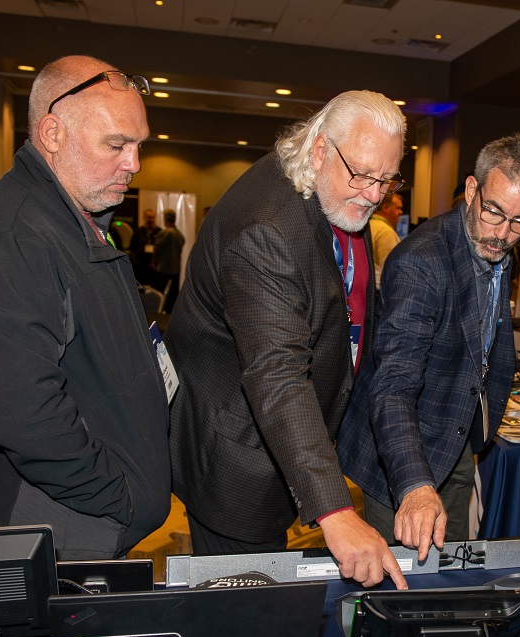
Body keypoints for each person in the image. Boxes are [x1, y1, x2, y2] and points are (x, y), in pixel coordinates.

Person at [166, 90, 408, 589]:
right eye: (361, 174)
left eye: (386, 179)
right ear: (320, 149)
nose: (371, 193)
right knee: (245, 613)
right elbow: (278, 376)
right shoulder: (267, 231)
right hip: (234, 458)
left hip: (275, 443)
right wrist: (336, 510)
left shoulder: (324, 189)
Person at [0, 55, 171, 560]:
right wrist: (119, 500)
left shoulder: (76, 216)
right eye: (116, 145)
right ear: (52, 133)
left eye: (138, 146)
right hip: (56, 531)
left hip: (85, 525)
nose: (133, 163)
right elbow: (22, 415)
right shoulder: (12, 237)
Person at [337, 134, 520, 557]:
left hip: (454, 435)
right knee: (402, 590)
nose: (503, 233)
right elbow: (393, 386)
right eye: (493, 212)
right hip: (398, 452)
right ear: (472, 190)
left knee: (449, 568)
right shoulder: (422, 262)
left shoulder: (496, 245)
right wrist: (416, 486)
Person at [152, 208, 184, 312]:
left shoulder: (164, 233)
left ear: (166, 219)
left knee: (162, 296)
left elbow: (157, 249)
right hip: (175, 269)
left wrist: (153, 261)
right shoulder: (180, 235)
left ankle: (161, 313)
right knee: (173, 295)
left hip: (164, 269)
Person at [368, 192, 403, 283]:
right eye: (398, 208)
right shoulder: (385, 232)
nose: (401, 212)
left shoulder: (367, 226)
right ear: (385, 208)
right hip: (380, 289)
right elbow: (393, 269)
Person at [131, 208, 160, 285]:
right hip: (141, 265)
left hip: (154, 266)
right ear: (144, 218)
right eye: (148, 217)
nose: (151, 220)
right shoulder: (138, 231)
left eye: (152, 217)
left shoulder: (159, 232)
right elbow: (133, 247)